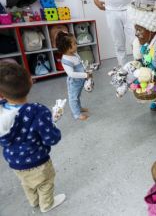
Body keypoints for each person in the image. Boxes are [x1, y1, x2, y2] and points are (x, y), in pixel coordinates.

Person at [0, 62, 65, 213]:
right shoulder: (37, 111)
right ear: (31, 81)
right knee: (45, 182)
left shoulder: (2, 111)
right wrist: (54, 126)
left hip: (15, 161)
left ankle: (33, 201)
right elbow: (51, 139)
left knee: (26, 183)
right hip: (38, 160)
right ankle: (46, 204)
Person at [90, 0, 135, 66]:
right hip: (111, 11)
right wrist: (96, 0)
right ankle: (123, 69)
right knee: (119, 45)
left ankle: (141, 71)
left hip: (130, 9)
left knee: (135, 43)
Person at [56, 32, 91, 120]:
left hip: (80, 80)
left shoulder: (74, 54)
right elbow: (71, 74)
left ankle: (78, 108)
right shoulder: (65, 60)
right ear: (67, 48)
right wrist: (85, 74)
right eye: (74, 43)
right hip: (74, 83)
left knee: (78, 95)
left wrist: (86, 71)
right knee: (73, 98)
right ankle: (76, 114)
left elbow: (80, 63)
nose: (77, 45)